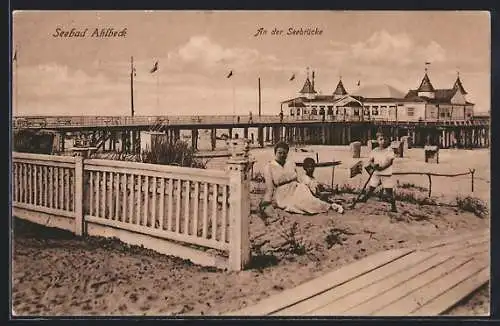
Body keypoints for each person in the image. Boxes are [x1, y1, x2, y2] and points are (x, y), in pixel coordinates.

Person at [260, 141, 342, 216]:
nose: (282, 155)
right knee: (301, 205)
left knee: (310, 200)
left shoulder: (291, 164)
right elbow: (269, 188)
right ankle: (329, 206)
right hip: (283, 194)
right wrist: (267, 201)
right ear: (275, 153)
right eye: (279, 153)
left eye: (284, 153)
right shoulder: (269, 167)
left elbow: (297, 179)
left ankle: (331, 206)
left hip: (297, 188)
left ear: (287, 154)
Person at [360, 132, 397, 212]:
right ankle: (365, 198)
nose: (383, 141)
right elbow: (370, 161)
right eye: (381, 139)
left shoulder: (389, 150)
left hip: (386, 173)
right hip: (376, 172)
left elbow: (390, 162)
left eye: (385, 139)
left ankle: (393, 206)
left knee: (389, 190)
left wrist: (382, 168)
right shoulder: (375, 150)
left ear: (388, 140)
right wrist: (373, 165)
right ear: (377, 140)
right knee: (371, 187)